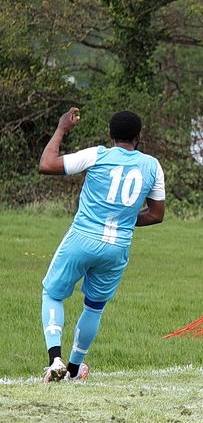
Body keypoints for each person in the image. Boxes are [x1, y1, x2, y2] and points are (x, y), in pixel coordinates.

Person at [39, 108, 165, 382]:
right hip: (117, 248)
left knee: (53, 294)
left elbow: (47, 165)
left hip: (82, 239)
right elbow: (156, 215)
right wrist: (123, 220)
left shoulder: (97, 154)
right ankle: (74, 369)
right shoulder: (153, 165)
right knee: (94, 307)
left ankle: (55, 360)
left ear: (110, 135)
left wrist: (61, 129)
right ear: (138, 136)